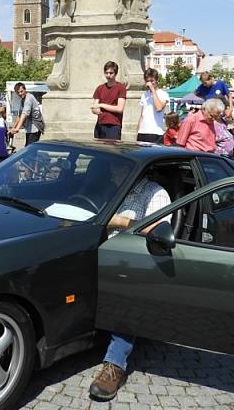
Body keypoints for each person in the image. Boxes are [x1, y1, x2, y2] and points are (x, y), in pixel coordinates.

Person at [89, 170, 172, 401]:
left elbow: (158, 232)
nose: (113, 173)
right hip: (97, 249)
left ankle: (115, 364)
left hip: (134, 260)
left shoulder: (155, 193)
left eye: (119, 169)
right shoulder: (111, 186)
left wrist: (117, 220)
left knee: (128, 297)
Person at [92, 61, 127, 140]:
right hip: (100, 125)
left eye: (111, 73)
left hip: (113, 126)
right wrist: (95, 110)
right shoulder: (100, 88)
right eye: (106, 73)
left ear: (115, 74)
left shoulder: (121, 88)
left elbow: (119, 109)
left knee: (112, 150)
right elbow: (94, 107)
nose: (108, 75)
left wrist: (101, 105)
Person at [136, 68, 168, 143]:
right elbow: (142, 115)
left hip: (155, 132)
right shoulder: (144, 94)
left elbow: (159, 108)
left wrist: (153, 90)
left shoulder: (163, 94)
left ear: (156, 80)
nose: (149, 83)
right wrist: (138, 131)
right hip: (143, 132)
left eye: (152, 81)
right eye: (147, 81)